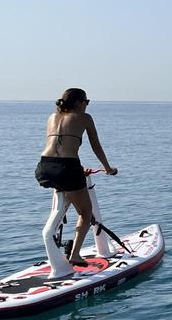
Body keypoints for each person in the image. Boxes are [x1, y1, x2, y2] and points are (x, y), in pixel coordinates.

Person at [35, 88, 118, 271]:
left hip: (45, 167)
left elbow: (58, 147)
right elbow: (96, 145)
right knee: (86, 212)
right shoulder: (85, 118)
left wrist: (79, 170)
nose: (87, 106)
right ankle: (75, 255)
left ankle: (58, 251)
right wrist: (107, 168)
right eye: (86, 102)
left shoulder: (52, 117)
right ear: (79, 102)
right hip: (67, 168)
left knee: (62, 203)